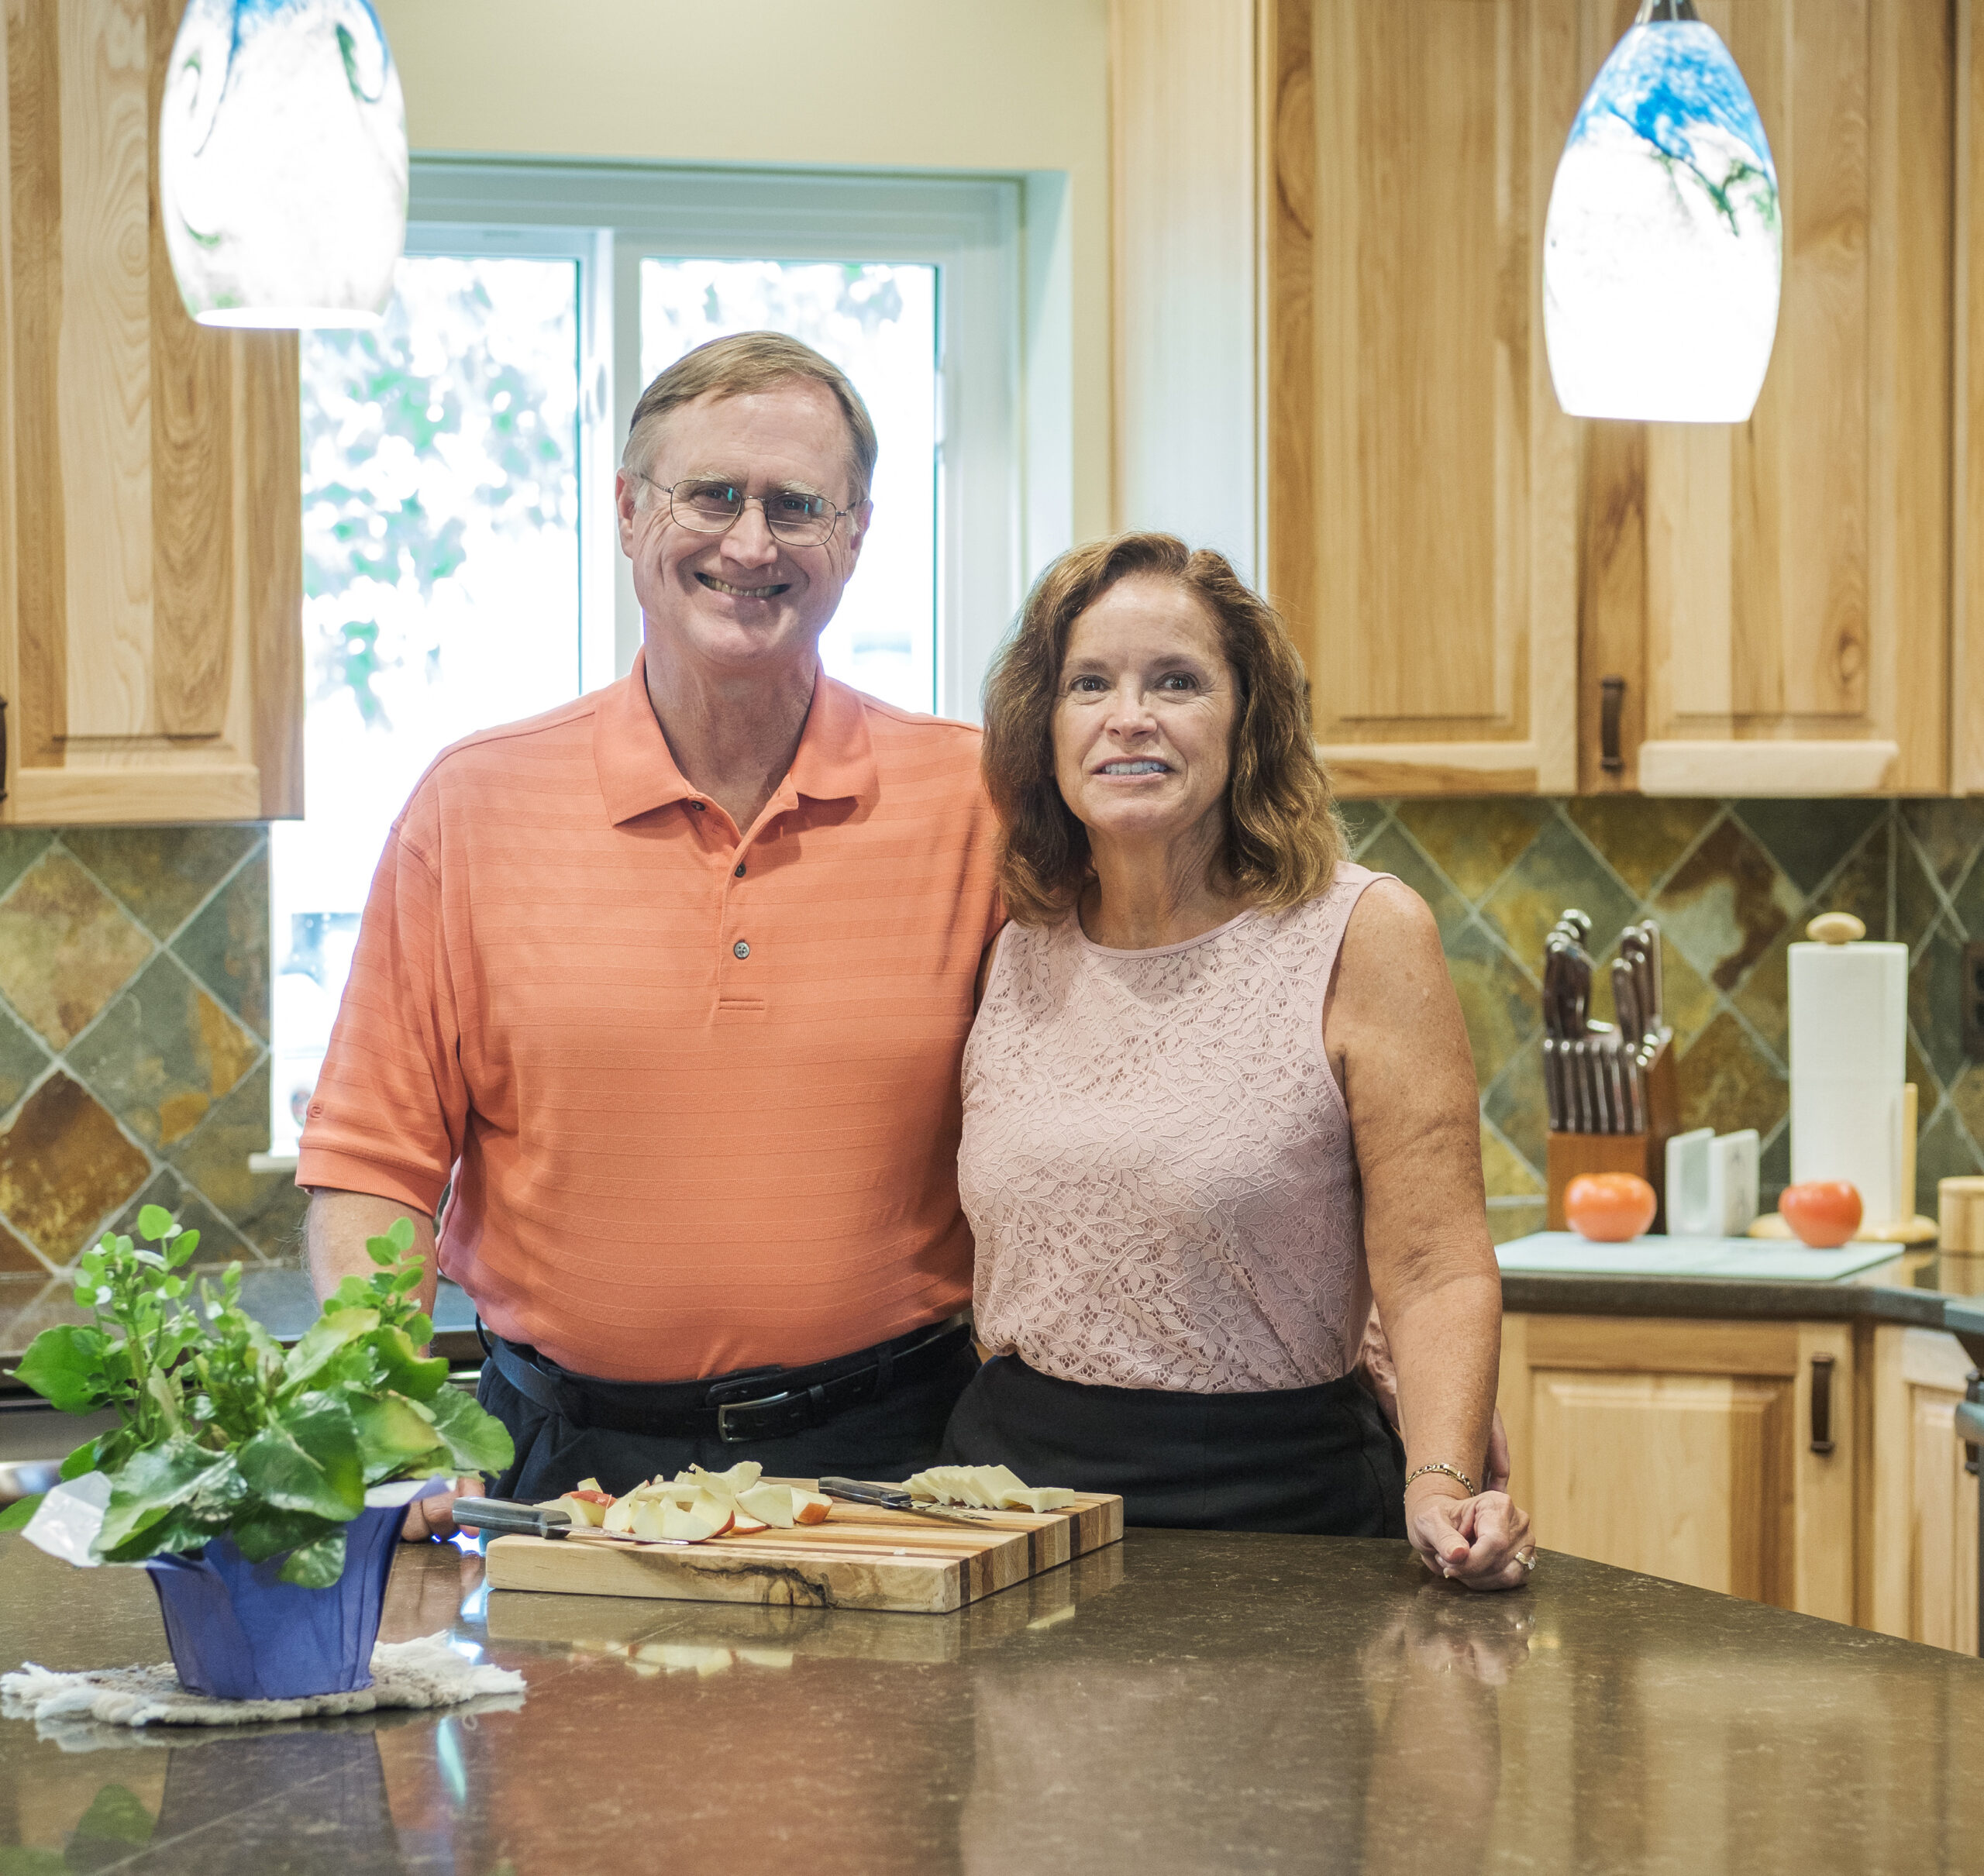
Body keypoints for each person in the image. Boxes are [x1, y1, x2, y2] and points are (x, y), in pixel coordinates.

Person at [298, 333, 1001, 1527]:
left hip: (894, 1461)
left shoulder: (977, 804)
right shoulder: (472, 807)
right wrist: (386, 1417)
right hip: (561, 1466)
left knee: (894, 1732)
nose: (750, 543)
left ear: (857, 536)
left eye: (796, 505)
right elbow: (374, 1167)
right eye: (712, 495)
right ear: (629, 512)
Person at [944, 532, 1534, 1589]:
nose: (1131, 714)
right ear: (1047, 726)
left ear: (1245, 721)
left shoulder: (1360, 932)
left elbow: (1435, 1261)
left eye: (1177, 681)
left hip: (1277, 1500)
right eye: (1091, 683)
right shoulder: (1012, 948)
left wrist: (1439, 1478)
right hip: (1010, 1511)